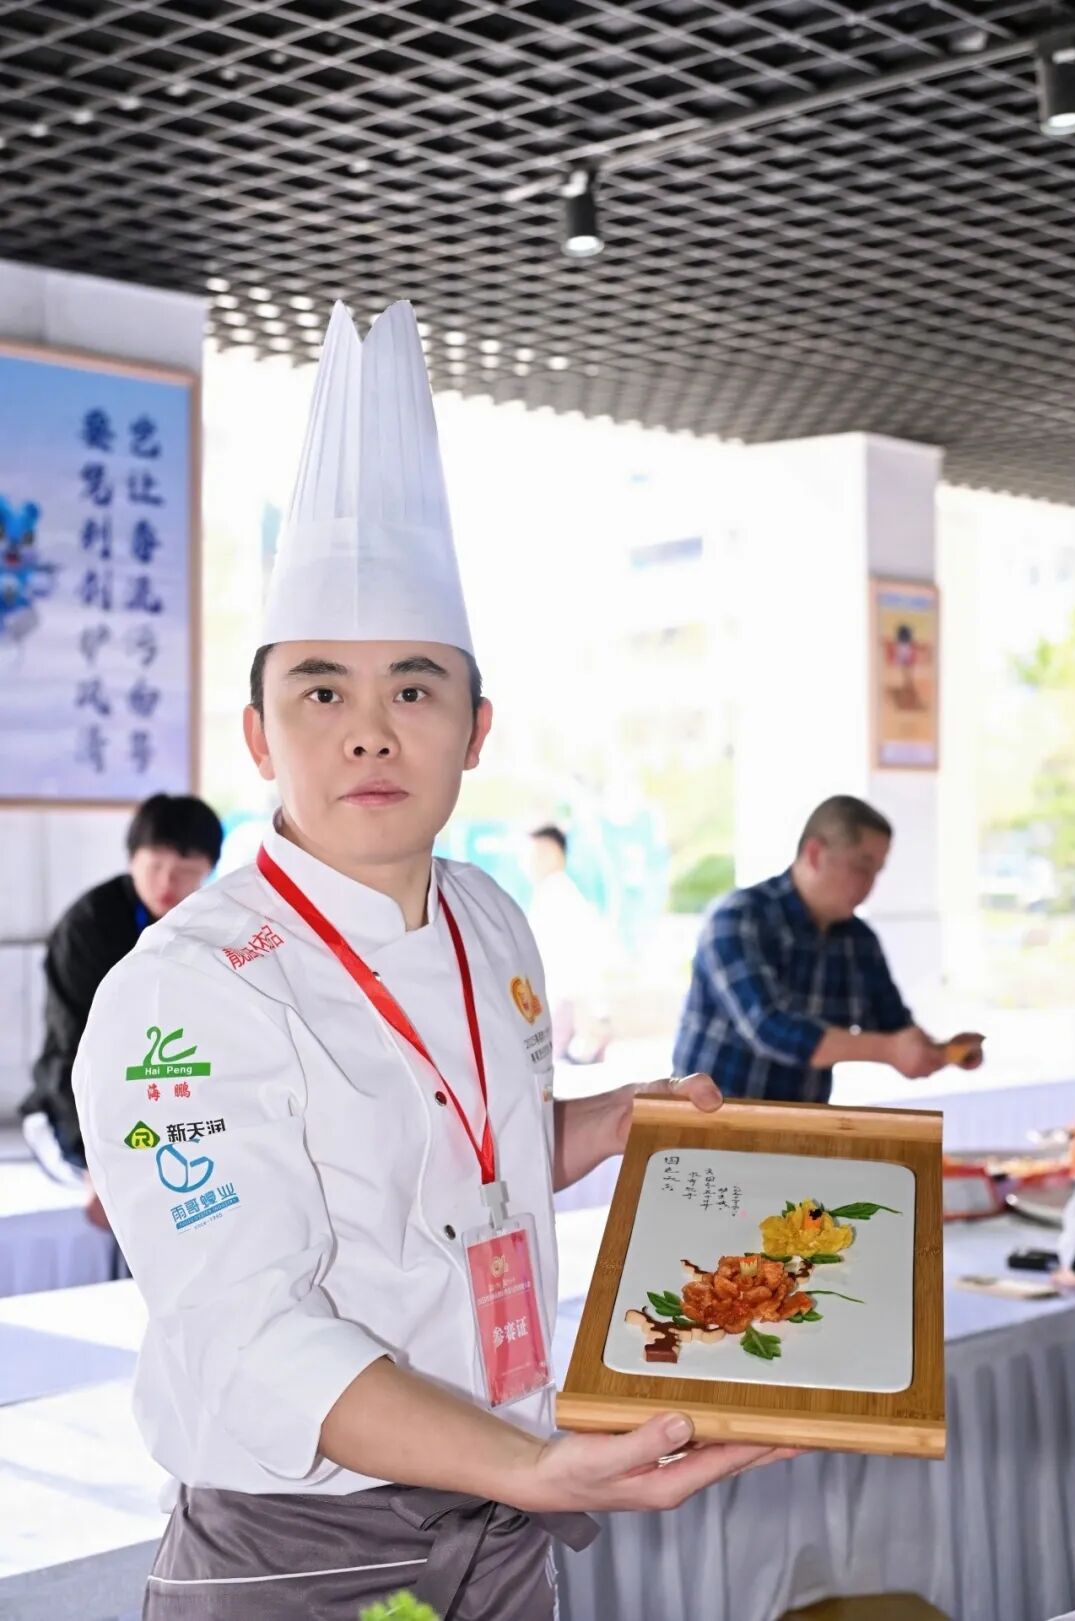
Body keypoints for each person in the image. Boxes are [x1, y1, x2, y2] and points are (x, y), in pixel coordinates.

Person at [73, 302, 795, 1621]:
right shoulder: (184, 988)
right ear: (258, 733)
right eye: (322, 692)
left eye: (413, 690)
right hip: (302, 1550)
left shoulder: (489, 918)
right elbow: (246, 1332)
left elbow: (460, 1167)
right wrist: (536, 1466)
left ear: (476, 728)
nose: (369, 733)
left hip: (505, 1519)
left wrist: (606, 1124)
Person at [673, 794, 983, 1105]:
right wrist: (889, 1050)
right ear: (815, 854)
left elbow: (895, 1027)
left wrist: (944, 1052)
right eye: (861, 867)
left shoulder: (859, 941)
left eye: (877, 871)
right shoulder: (739, 917)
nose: (870, 885)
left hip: (801, 1125)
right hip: (709, 1121)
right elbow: (770, 1028)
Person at [21, 793, 223, 1185]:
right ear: (132, 859)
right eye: (155, 865)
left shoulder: (209, 922)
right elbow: (75, 1049)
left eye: (186, 871)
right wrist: (90, 1158)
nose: (167, 882)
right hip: (73, 1104)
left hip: (162, 1099)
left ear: (208, 871)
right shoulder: (88, 927)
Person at [528, 824, 613, 1063]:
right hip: (566, 1002)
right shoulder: (556, 890)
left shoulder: (556, 894)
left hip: (564, 1001)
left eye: (537, 854)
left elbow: (565, 959)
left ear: (555, 853)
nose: (530, 863)